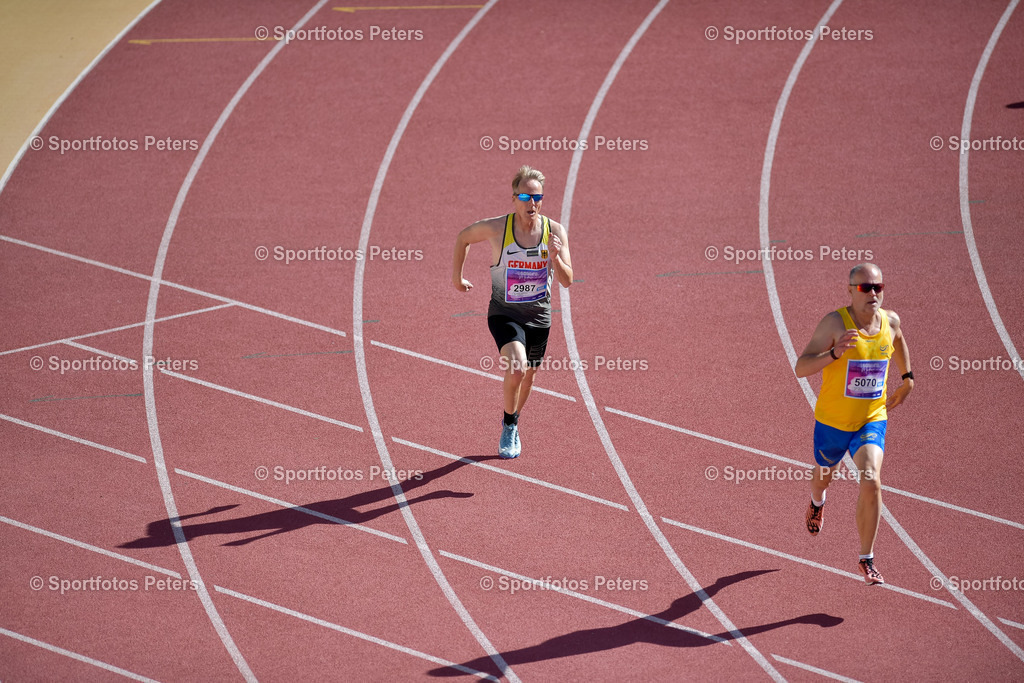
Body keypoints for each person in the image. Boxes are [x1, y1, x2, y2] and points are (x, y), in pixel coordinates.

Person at [794, 263, 914, 584]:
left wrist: (907, 377)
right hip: (832, 422)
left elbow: (898, 339)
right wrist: (833, 354)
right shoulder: (834, 323)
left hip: (870, 419)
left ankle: (866, 558)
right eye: (865, 288)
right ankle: (817, 503)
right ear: (850, 291)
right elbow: (801, 367)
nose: (873, 293)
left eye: (878, 287)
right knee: (822, 480)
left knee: (872, 480)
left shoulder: (890, 321)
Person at [451, 166, 574, 458]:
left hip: (539, 317)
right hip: (504, 312)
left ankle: (514, 419)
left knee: (528, 376)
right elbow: (463, 238)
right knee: (516, 368)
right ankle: (508, 424)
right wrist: (457, 278)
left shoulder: (554, 232)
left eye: (537, 197)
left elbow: (568, 280)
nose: (531, 203)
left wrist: (555, 258)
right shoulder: (498, 228)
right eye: (524, 196)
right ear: (514, 198)